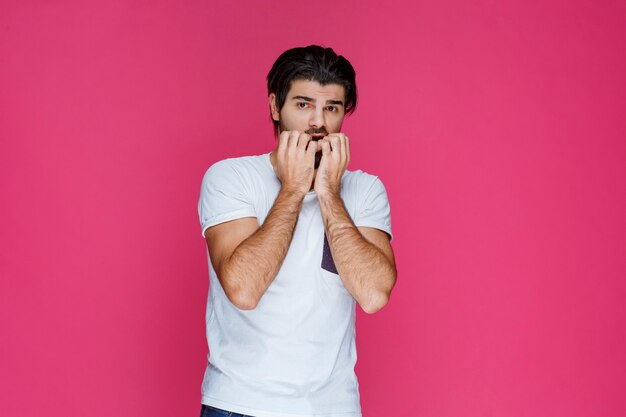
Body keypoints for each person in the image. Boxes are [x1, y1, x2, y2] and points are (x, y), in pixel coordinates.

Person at [197, 45, 397, 417]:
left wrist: (328, 194)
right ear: (276, 107)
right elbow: (243, 289)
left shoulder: (364, 190)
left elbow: (373, 295)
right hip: (240, 405)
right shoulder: (231, 178)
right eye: (303, 105)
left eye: (331, 108)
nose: (318, 122)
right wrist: (292, 189)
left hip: (333, 408)